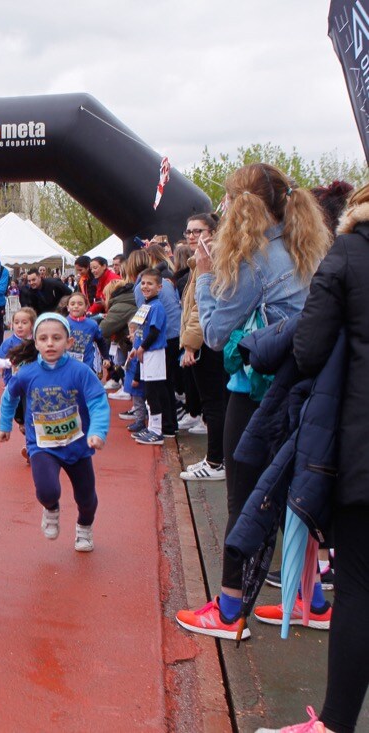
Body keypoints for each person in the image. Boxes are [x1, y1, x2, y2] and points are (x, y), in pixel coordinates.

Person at [176, 162, 331, 642]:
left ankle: (228, 610)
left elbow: (219, 335)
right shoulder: (308, 246)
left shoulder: (257, 258)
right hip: (310, 390)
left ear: (241, 207)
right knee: (296, 495)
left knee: (245, 499)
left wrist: (204, 275)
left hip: (261, 391)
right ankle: (314, 600)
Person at [256, 182, 369, 733]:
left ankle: (336, 723)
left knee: (359, 587)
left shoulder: (348, 255)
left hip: (361, 446)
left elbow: (308, 349)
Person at [0, 313, 109, 552]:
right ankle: (51, 508)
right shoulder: (26, 373)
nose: (50, 343)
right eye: (44, 338)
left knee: (86, 498)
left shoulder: (80, 371)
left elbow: (98, 401)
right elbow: (9, 397)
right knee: (47, 490)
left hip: (77, 445)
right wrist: (4, 425)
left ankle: (84, 528)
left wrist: (98, 431)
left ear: (69, 342)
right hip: (42, 445)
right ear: (35, 343)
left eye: (56, 338)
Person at [178, 214, 229, 481]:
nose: (190, 235)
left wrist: (190, 345)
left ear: (212, 232)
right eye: (188, 231)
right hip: (207, 337)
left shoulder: (210, 260)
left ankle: (216, 461)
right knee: (217, 402)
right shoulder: (200, 260)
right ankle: (217, 459)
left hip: (208, 341)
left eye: (197, 231)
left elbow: (201, 307)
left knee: (214, 403)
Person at [129, 270, 172, 445]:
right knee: (148, 392)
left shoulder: (157, 306)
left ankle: (157, 430)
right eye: (143, 283)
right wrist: (136, 347)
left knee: (153, 392)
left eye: (150, 284)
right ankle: (152, 427)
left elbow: (154, 331)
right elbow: (141, 330)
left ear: (159, 287)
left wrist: (143, 347)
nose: (145, 287)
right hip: (145, 351)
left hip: (154, 352)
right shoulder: (146, 305)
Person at [65, 292, 108, 373]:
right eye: (72, 304)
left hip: (86, 365)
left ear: (86, 308)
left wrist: (106, 358)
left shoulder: (92, 324)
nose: (76, 306)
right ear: (68, 307)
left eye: (80, 304)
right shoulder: (63, 323)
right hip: (66, 365)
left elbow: (100, 341)